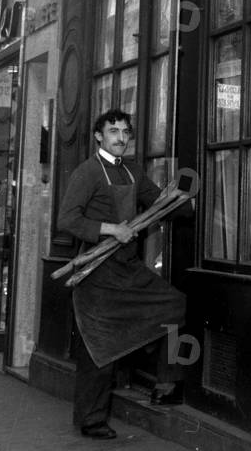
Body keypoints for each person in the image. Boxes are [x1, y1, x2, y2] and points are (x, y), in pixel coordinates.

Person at [58, 111, 191, 439]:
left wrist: (183, 201)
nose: (121, 137)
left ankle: (165, 384)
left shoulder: (133, 172)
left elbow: (159, 202)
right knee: (99, 348)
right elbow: (68, 220)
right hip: (97, 274)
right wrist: (110, 229)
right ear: (98, 136)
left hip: (128, 269)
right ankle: (91, 420)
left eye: (125, 132)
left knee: (173, 304)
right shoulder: (87, 172)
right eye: (113, 131)